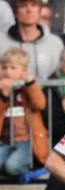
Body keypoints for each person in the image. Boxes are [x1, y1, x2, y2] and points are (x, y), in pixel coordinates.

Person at [0, 47, 48, 176]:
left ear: (23, 71)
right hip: (4, 142)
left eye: (13, 68)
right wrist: (3, 96)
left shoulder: (28, 89)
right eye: (4, 67)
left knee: (12, 166)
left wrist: (31, 84)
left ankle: (32, 173)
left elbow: (40, 104)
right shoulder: (1, 90)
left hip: (26, 141)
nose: (7, 72)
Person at [0, 0, 64, 82]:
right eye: (23, 5)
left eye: (33, 5)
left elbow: (61, 75)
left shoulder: (55, 43)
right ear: (16, 12)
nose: (29, 10)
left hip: (45, 94)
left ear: (39, 11)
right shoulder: (1, 41)